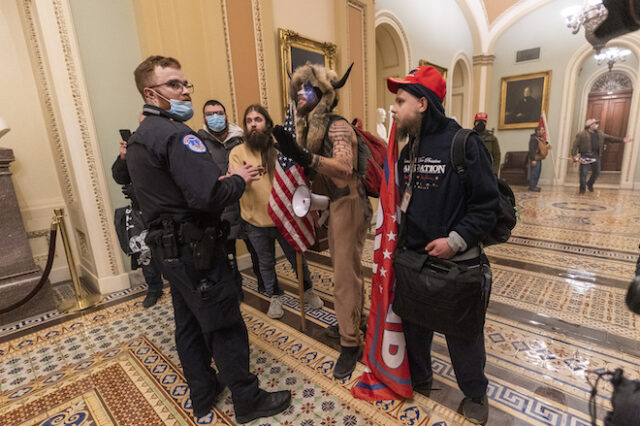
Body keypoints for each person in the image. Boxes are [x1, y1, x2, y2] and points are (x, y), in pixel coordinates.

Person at [125, 55, 290, 423]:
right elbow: (208, 196)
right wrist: (239, 180)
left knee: (187, 323)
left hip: (170, 252)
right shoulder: (176, 135)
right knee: (224, 323)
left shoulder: (138, 140)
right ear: (151, 93)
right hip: (196, 250)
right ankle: (248, 400)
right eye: (173, 85)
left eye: (185, 84)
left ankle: (203, 393)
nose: (184, 91)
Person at [387, 66, 499, 425]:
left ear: (422, 103)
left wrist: (454, 241)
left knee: (463, 336)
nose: (393, 108)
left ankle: (475, 393)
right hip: (414, 261)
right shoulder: (409, 151)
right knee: (415, 327)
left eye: (400, 101)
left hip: (456, 265)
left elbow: (488, 206)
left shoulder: (464, 144)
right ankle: (421, 377)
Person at [272, 63, 372, 379]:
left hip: (350, 203)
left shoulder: (338, 126)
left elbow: (343, 166)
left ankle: (349, 343)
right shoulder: (314, 128)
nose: (300, 93)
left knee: (343, 277)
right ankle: (357, 321)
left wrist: (304, 157)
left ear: (324, 95)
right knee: (349, 271)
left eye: (308, 88)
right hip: (337, 203)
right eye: (298, 88)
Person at [229, 104, 323, 319]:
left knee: (297, 258)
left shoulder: (281, 150)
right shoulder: (237, 153)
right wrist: (241, 178)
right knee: (265, 263)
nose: (253, 124)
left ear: (268, 124)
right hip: (255, 223)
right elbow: (234, 185)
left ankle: (308, 291)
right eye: (249, 120)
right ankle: (275, 297)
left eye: (258, 119)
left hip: (284, 219)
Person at [196, 100, 272, 299]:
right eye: (210, 114)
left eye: (219, 113)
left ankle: (265, 285)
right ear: (204, 118)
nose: (215, 117)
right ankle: (235, 290)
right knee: (227, 255)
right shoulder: (199, 142)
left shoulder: (240, 139)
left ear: (226, 115)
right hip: (220, 210)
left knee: (256, 251)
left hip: (245, 206)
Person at [112, 134, 164, 308]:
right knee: (144, 253)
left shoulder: (160, 150)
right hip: (140, 212)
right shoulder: (132, 154)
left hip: (161, 210)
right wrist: (123, 158)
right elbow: (119, 177)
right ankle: (154, 288)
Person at [571, 118, 632, 194]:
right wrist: (573, 155)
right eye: (595, 123)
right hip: (585, 156)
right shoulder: (581, 134)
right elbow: (575, 145)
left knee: (596, 172)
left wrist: (622, 140)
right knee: (583, 173)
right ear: (590, 125)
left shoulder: (600, 134)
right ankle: (582, 190)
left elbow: (611, 138)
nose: (597, 125)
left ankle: (590, 183)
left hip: (596, 156)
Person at [527, 126, 550, 192]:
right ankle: (532, 187)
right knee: (534, 173)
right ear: (538, 131)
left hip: (539, 158)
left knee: (538, 173)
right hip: (535, 159)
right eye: (542, 130)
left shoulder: (540, 138)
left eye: (543, 130)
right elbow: (531, 150)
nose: (543, 131)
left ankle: (534, 186)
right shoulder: (534, 139)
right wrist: (533, 159)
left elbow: (544, 145)